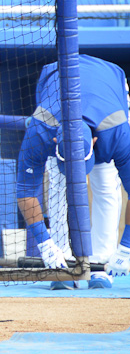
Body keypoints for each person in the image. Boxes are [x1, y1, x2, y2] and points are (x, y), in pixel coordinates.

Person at [15, 54, 130, 290]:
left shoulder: (118, 133)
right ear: (56, 142)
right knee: (58, 185)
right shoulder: (41, 131)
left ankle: (101, 263)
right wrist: (45, 246)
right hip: (55, 81)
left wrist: (126, 247)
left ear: (95, 142)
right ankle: (62, 262)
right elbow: (26, 191)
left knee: (106, 183)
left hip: (110, 88)